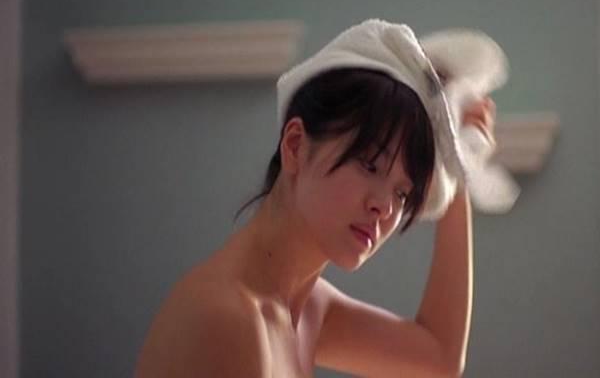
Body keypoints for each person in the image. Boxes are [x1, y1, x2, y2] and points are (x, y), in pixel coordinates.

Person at [134, 19, 498, 378]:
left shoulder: (305, 308)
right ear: (295, 145)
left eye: (402, 192)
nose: (385, 207)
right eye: (370, 164)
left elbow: (439, 361)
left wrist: (456, 158)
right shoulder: (228, 321)